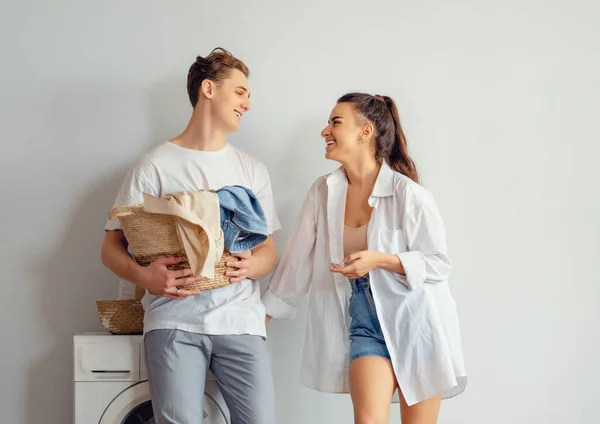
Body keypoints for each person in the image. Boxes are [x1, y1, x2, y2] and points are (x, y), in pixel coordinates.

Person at [263, 93, 466, 424]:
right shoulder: (322, 191)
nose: (325, 131)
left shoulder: (409, 194)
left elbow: (439, 263)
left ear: (365, 131)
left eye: (335, 122)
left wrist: (381, 260)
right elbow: (296, 261)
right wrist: (260, 321)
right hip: (364, 320)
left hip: (418, 320)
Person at [101, 47, 280, 424]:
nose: (248, 103)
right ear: (209, 89)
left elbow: (269, 253)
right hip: (174, 320)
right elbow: (110, 247)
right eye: (241, 92)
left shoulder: (252, 169)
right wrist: (145, 276)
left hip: (240, 321)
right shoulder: (153, 165)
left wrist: (250, 266)